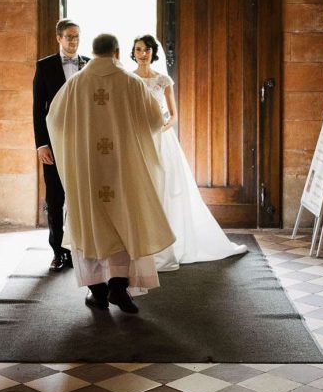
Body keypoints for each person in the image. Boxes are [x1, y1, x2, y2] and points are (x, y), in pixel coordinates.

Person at [46, 32, 176, 314]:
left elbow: (54, 120)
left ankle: (98, 292)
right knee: (123, 220)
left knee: (90, 223)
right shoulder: (132, 83)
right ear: (117, 53)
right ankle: (119, 285)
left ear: (93, 52)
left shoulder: (76, 83)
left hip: (88, 167)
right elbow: (155, 121)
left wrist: (74, 145)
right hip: (123, 166)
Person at [130, 33, 247, 270]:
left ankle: (167, 245)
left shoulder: (163, 80)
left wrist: (161, 128)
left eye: (147, 50)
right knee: (140, 189)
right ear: (133, 53)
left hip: (161, 139)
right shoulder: (128, 79)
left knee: (165, 188)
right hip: (137, 139)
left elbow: (173, 115)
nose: (143, 54)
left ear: (153, 53)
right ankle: (141, 245)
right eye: (139, 50)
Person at [32, 19, 89, 272]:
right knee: (55, 197)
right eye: (68, 36)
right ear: (58, 38)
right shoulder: (45, 66)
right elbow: (37, 109)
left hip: (84, 141)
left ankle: (84, 247)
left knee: (83, 196)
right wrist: (41, 144)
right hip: (54, 142)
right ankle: (58, 250)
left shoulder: (90, 65)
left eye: (76, 36)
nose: (73, 41)